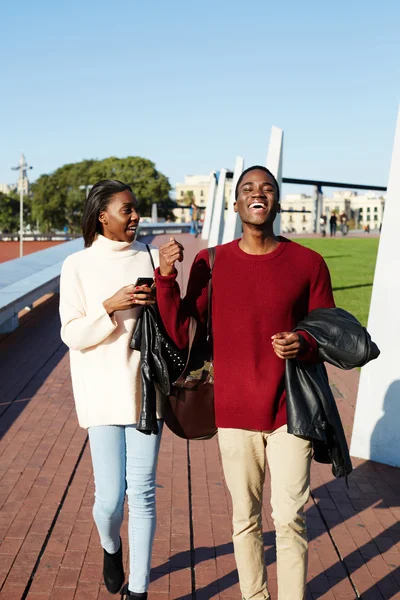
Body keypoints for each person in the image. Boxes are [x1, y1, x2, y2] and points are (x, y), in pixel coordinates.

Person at [155, 166, 335, 600]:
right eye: (248, 190)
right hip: (234, 411)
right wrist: (164, 279)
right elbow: (182, 332)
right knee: (245, 519)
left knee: (290, 516)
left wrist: (303, 342)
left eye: (267, 188)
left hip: (291, 409)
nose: (258, 194)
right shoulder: (210, 262)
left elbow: (326, 331)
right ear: (236, 205)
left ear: (276, 201)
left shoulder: (308, 263)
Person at [59, 180, 163, 599]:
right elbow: (72, 335)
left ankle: (138, 590)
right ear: (103, 216)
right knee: (110, 499)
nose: (136, 216)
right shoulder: (77, 265)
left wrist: (167, 283)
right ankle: (110, 545)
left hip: (145, 391)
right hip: (101, 394)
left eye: (136, 209)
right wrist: (109, 306)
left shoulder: (150, 257)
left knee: (142, 494)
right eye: (128, 209)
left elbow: (169, 321)